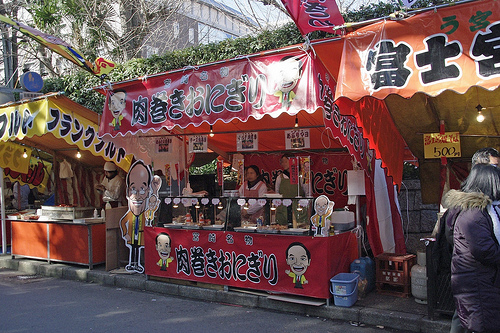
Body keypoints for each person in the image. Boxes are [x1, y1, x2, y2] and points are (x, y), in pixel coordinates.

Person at [441, 163, 500, 333]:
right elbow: (485, 251)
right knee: (480, 324)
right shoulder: (473, 214)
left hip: (478, 280)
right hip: (478, 282)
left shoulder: (478, 211)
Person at [275, 154, 310, 226]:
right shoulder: (279, 177)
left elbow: (308, 193)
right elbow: (277, 194)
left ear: (293, 162)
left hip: (299, 209)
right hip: (283, 210)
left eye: (286, 161)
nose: (283, 164)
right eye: (282, 162)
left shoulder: (302, 176)